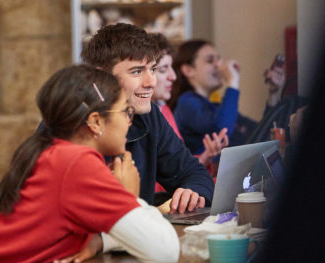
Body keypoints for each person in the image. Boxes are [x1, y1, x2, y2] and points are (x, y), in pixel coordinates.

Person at [0, 65, 179, 263]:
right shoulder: (76, 163)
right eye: (125, 112)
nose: (128, 123)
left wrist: (100, 240)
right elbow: (165, 251)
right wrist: (129, 197)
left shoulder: (59, 154)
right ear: (95, 122)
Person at [81, 23, 214, 213]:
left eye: (152, 69)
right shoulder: (69, 128)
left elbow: (193, 172)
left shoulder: (148, 115)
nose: (151, 82)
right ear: (101, 76)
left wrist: (192, 192)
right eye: (136, 71)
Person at [149, 33, 228, 176]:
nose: (173, 76)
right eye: (163, 69)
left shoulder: (163, 108)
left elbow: (178, 166)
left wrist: (206, 156)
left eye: (171, 68)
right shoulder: (187, 102)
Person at [171, 39, 256, 155]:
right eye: (210, 61)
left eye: (218, 59)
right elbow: (222, 132)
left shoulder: (215, 104)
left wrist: (273, 94)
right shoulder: (186, 103)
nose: (218, 65)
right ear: (188, 70)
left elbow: (256, 129)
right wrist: (233, 83)